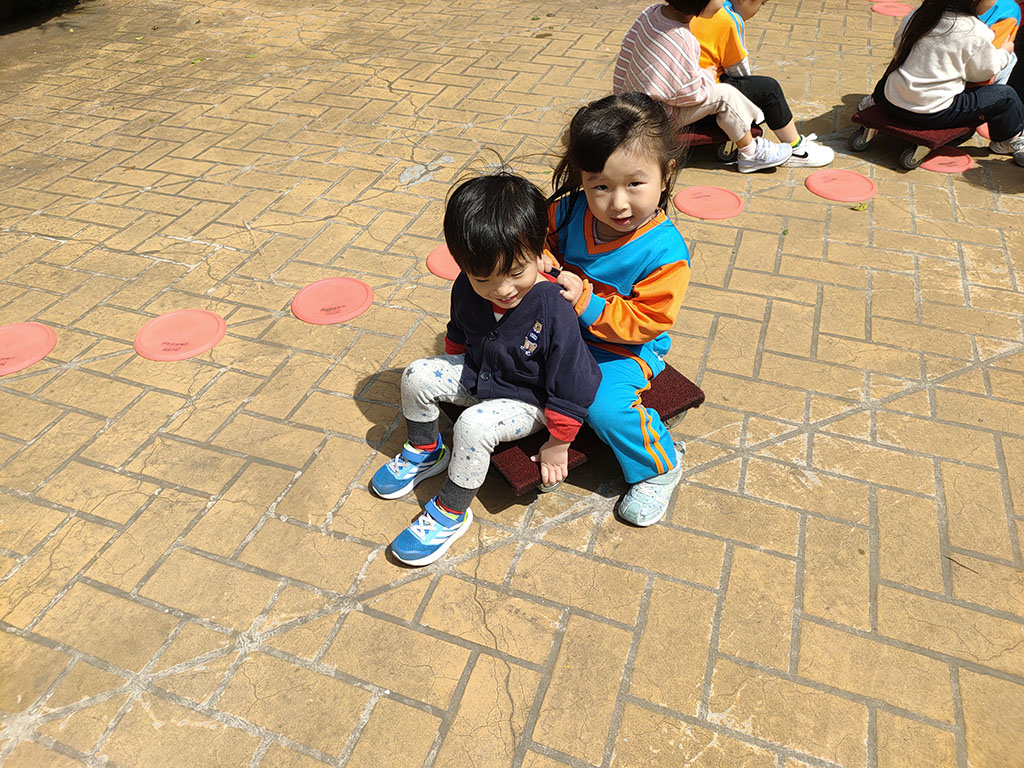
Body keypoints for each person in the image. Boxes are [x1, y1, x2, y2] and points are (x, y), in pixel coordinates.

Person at [370, 172, 601, 566]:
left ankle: (451, 512)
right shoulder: (465, 285)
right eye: (484, 278)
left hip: (530, 399)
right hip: (481, 373)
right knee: (416, 375)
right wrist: (450, 366)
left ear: (539, 252)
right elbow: (459, 331)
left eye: (517, 272)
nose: (503, 289)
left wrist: (558, 442)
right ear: (464, 266)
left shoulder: (552, 306)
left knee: (472, 427)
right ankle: (426, 450)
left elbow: (574, 379)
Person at [546, 92, 690, 527]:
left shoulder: (664, 252)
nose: (618, 203)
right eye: (601, 186)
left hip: (623, 348)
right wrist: (540, 260)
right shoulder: (567, 211)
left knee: (604, 406)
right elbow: (537, 242)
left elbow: (648, 321)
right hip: (562, 330)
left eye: (634, 184)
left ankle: (659, 465)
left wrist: (586, 303)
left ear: (666, 174)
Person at [613, 0, 793, 172]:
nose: (723, 2)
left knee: (722, 92)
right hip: (658, 118)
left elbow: (627, 49)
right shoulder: (683, 38)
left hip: (633, 103)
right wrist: (708, 75)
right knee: (725, 95)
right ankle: (750, 152)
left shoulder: (650, 13)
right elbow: (690, 93)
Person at [870, 0, 1024, 165]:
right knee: (1006, 95)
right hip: (932, 113)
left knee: (899, 68)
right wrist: (1004, 53)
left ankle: (871, 101)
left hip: (892, 101)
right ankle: (1007, 140)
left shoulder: (918, 14)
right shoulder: (976, 31)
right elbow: (983, 73)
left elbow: (898, 44)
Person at [689, 0, 834, 166]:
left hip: (678, 92)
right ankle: (797, 149)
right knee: (768, 90)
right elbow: (739, 73)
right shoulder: (728, 19)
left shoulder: (687, 8)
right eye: (761, 4)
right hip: (703, 101)